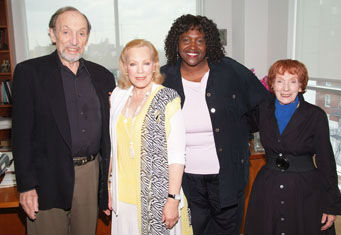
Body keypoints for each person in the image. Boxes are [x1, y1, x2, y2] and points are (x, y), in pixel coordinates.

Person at [161, 14, 270, 234]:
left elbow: (263, 104)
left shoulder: (229, 70)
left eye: (200, 40)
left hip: (227, 176)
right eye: (186, 40)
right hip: (186, 180)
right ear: (176, 43)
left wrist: (238, 128)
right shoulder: (165, 76)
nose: (193, 46)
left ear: (209, 43)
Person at [12, 6, 116, 235]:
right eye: (66, 32)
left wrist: (107, 183)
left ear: (87, 37)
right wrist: (26, 186)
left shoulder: (104, 77)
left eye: (81, 33)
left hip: (91, 174)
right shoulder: (29, 73)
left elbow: (111, 132)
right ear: (52, 34)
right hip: (46, 176)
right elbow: (20, 136)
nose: (74, 40)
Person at [244, 59, 341, 234]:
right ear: (272, 85)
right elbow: (236, 125)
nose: (286, 88)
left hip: (306, 192)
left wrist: (331, 205)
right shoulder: (262, 110)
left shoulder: (315, 116)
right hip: (268, 189)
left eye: (292, 81)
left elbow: (326, 160)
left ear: (301, 86)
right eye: (280, 81)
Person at [106, 39, 192, 235]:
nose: (140, 70)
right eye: (133, 64)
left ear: (154, 65)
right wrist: (107, 187)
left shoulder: (168, 98)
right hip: (123, 200)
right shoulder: (118, 96)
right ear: (125, 68)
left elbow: (177, 156)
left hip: (158, 199)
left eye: (146, 63)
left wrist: (173, 199)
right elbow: (113, 147)